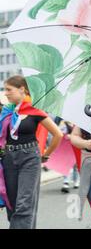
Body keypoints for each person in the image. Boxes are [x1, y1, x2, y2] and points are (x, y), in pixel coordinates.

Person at [0, 75, 63, 228]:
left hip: (29, 158)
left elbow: (57, 134)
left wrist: (46, 154)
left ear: (22, 89)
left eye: (9, 89)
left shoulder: (35, 111)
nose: (6, 93)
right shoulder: (6, 111)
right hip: (8, 158)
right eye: (4, 89)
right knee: (12, 203)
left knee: (24, 204)